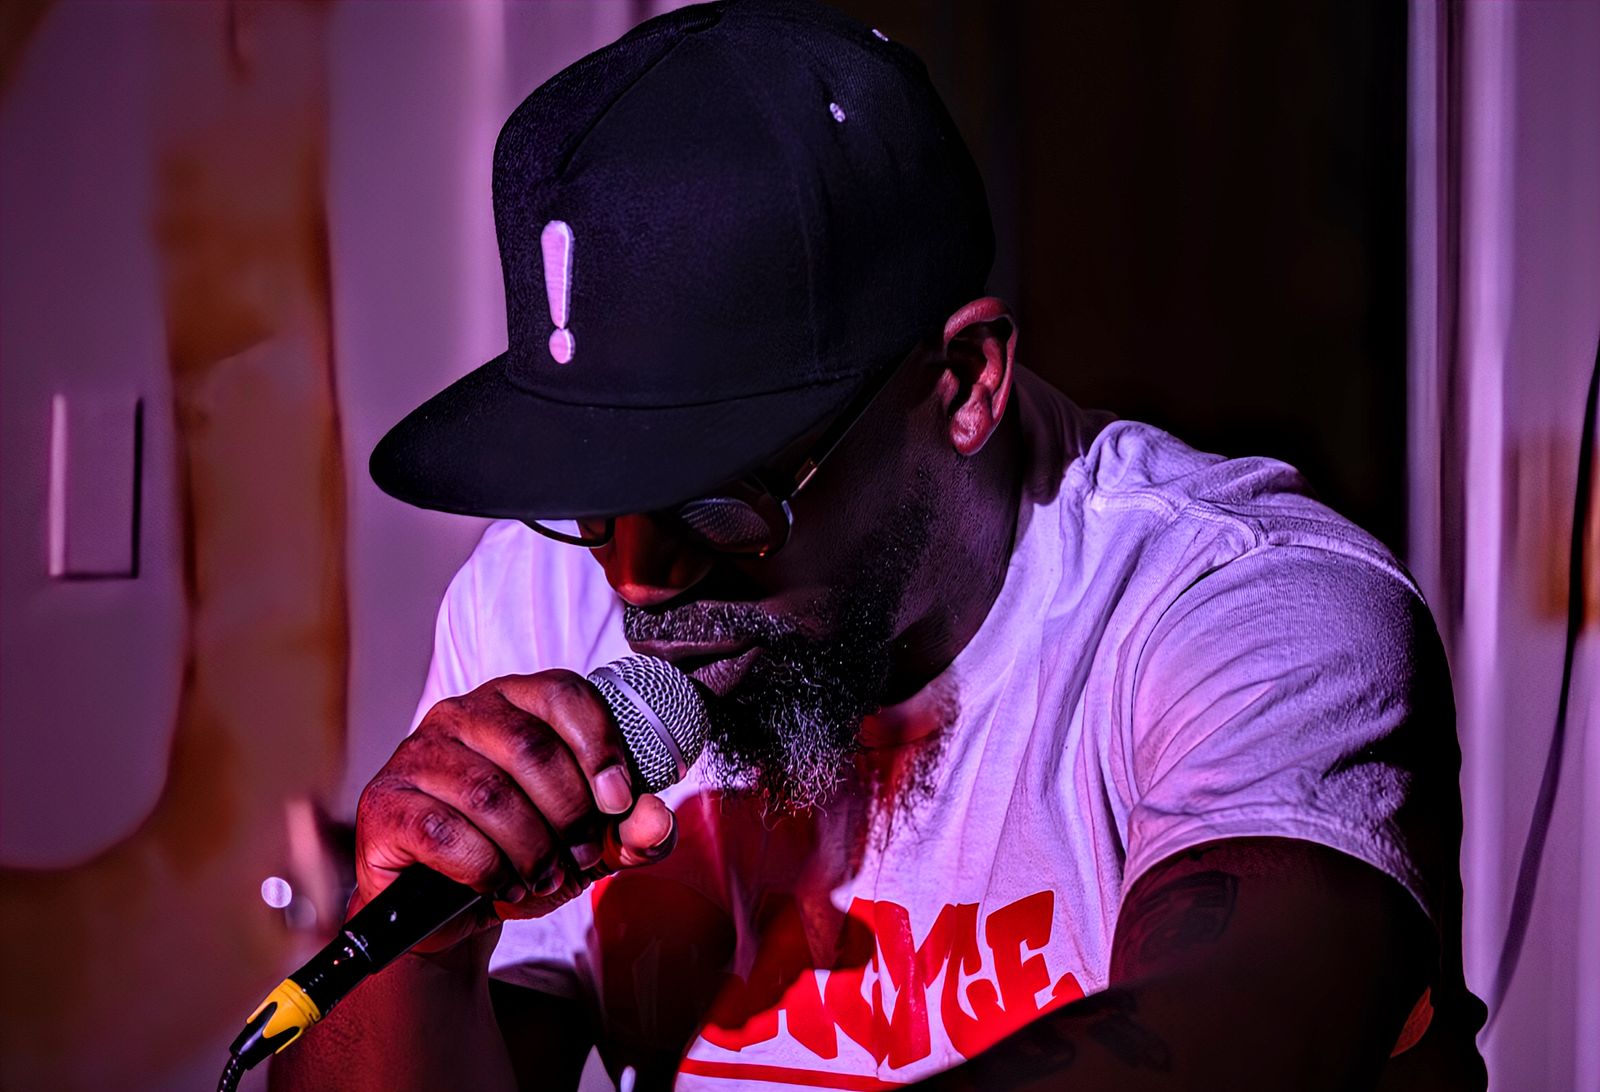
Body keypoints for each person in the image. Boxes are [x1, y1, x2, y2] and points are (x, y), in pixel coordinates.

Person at [276, 1, 1487, 1088]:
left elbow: (1236, 1033)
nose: (636, 583)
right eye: (592, 500)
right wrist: (418, 946)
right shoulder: (533, 600)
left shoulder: (1239, 608)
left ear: (963, 384)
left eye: (717, 504)